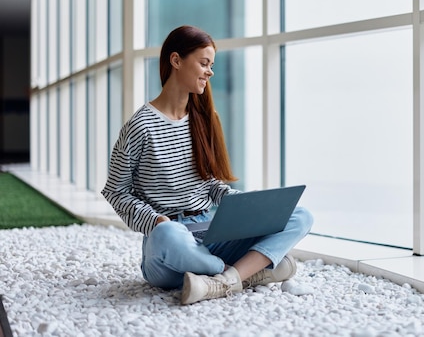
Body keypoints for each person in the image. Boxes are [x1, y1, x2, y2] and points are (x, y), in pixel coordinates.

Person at [101, 25, 313, 305]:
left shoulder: (205, 118)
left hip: (211, 231)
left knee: (300, 216)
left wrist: (244, 206)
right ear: (176, 61)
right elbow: (116, 191)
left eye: (211, 65)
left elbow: (210, 183)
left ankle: (221, 282)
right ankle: (241, 274)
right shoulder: (140, 126)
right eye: (203, 63)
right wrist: (156, 220)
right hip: (169, 246)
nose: (209, 72)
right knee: (168, 234)